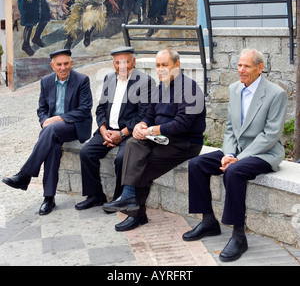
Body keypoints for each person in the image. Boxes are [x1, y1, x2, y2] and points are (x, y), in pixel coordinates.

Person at [182, 48, 288, 262]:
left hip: (263, 153)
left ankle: (239, 236)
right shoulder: (234, 89)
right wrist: (229, 153)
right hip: (236, 150)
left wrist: (238, 158)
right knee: (196, 164)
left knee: (234, 172)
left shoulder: (276, 94)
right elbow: (230, 127)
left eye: (246, 66)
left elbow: (270, 134)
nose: (241, 70)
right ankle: (209, 221)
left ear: (260, 68)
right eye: (239, 65)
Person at [103, 47, 206, 232]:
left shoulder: (189, 88)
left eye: (165, 65)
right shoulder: (161, 87)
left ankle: (136, 212)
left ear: (177, 65)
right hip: (161, 138)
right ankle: (129, 199)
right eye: (158, 65)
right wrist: (141, 125)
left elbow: (182, 125)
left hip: (185, 143)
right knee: (133, 143)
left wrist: (152, 129)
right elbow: (149, 114)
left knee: (142, 161)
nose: (160, 69)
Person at [2, 49, 93, 215]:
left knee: (50, 130)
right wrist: (45, 120)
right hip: (52, 130)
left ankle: (25, 175)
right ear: (52, 66)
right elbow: (42, 109)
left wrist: (56, 120)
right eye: (59, 64)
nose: (63, 67)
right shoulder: (46, 82)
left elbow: (85, 110)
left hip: (74, 126)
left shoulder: (82, 80)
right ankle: (48, 198)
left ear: (71, 63)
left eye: (66, 63)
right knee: (52, 147)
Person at [75, 46, 154, 210]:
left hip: (130, 133)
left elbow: (143, 115)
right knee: (86, 153)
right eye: (118, 63)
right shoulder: (109, 79)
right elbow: (100, 108)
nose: (122, 66)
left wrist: (122, 134)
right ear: (113, 64)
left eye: (126, 62)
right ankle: (95, 195)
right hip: (107, 130)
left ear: (134, 62)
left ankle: (120, 198)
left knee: (121, 159)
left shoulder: (145, 82)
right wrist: (103, 130)